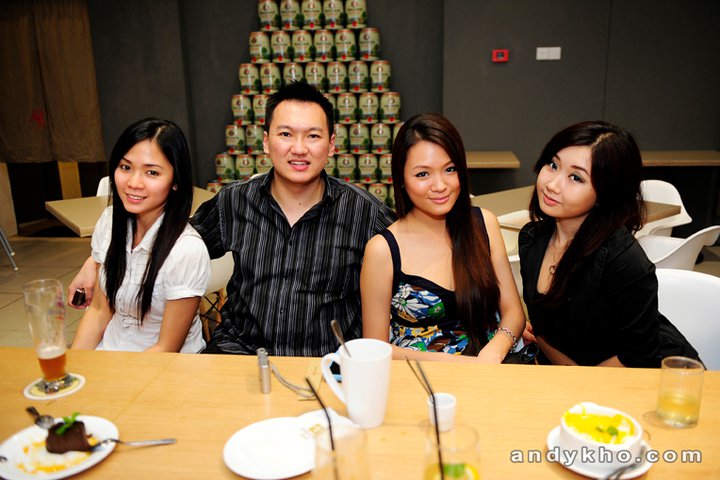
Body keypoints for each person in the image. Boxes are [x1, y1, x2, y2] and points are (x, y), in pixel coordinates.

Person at [518, 120, 699, 367]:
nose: (552, 185)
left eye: (575, 177)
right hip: (575, 375)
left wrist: (578, 383)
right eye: (553, 165)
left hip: (650, 374)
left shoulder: (624, 259)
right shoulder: (532, 239)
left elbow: (637, 356)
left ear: (605, 193)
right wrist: (568, 377)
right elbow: (542, 329)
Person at [361, 113, 526, 362]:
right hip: (421, 377)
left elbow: (513, 312)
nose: (440, 185)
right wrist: (461, 364)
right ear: (401, 179)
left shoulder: (483, 224)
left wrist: (495, 350)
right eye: (422, 174)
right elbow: (376, 347)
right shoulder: (382, 249)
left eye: (450, 169)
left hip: (492, 369)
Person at [71, 118, 210, 352]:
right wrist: (74, 366)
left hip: (161, 364)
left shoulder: (186, 249)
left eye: (152, 172)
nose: (133, 183)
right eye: (126, 167)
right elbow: (99, 311)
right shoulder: (109, 222)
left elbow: (165, 349)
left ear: (175, 181)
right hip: (112, 352)